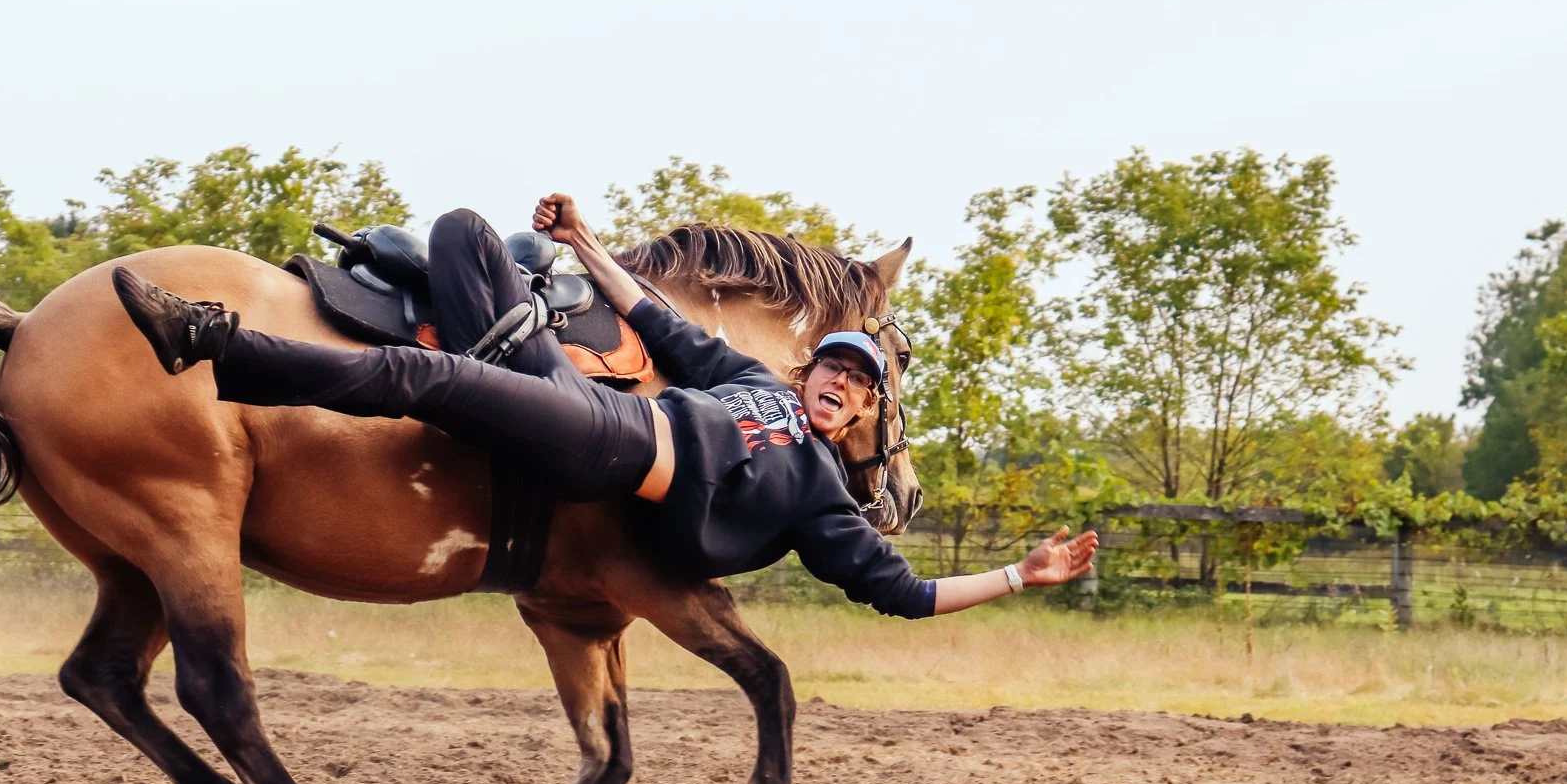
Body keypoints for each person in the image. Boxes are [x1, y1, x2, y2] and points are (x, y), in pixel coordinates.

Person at [111, 196, 1098, 616]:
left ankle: (218, 345)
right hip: (572, 392)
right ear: (803, 374)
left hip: (608, 453)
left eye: (853, 384)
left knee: (433, 383)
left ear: (852, 420)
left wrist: (1018, 573)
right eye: (828, 367)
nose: (835, 381)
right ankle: (493, 361)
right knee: (460, 232)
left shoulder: (814, 493)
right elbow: (653, 318)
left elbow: (907, 596)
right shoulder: (750, 383)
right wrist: (585, 241)